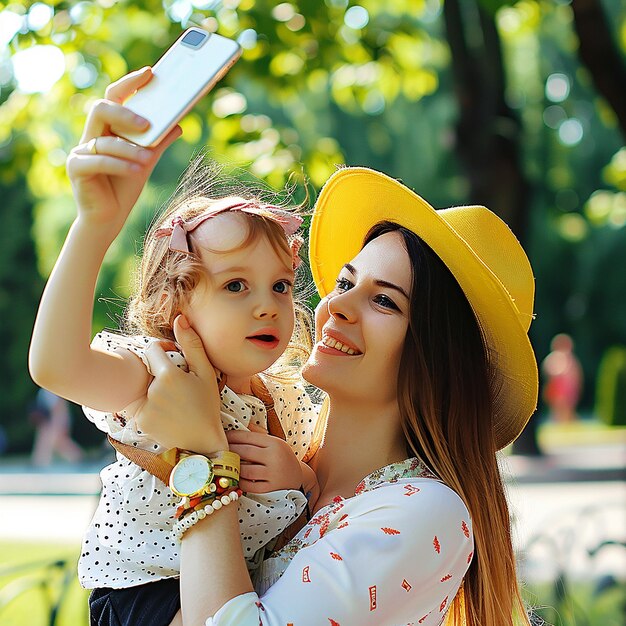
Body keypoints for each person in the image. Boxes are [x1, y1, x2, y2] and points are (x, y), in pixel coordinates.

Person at [135, 164, 539, 623]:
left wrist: (203, 457)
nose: (335, 305)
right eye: (346, 283)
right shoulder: (280, 450)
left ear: (439, 360)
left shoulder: (425, 511)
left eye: (384, 300)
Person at [28, 68, 319, 626]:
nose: (267, 306)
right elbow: (55, 366)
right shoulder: (161, 373)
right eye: (236, 285)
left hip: (227, 588)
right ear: (176, 304)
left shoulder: (280, 396)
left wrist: (300, 478)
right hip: (148, 595)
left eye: (280, 286)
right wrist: (95, 225)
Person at [29, 387, 84, 466]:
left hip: (57, 422)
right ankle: (39, 463)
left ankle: (79, 459)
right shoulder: (45, 391)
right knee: (53, 443)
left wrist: (55, 426)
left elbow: (59, 411)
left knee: (59, 444)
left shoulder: (54, 391)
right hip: (50, 422)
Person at [541, 333, 583, 423]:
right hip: (557, 387)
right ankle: (560, 422)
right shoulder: (554, 357)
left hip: (567, 388)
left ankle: (568, 422)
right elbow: (547, 371)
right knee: (557, 407)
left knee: (567, 407)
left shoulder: (571, 359)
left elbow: (576, 375)